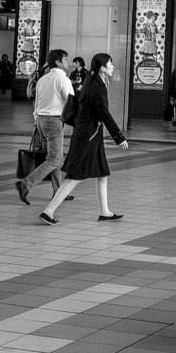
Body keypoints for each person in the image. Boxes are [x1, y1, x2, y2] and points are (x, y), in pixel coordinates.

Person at [39, 53, 129, 225]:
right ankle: (48, 212)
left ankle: (105, 212)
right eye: (110, 63)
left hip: (90, 135)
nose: (113, 66)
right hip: (88, 136)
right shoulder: (96, 85)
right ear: (102, 67)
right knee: (75, 176)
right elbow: (104, 113)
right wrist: (119, 137)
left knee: (102, 172)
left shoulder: (95, 81)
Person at [16, 49, 73, 206]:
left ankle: (58, 192)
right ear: (58, 62)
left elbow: (37, 102)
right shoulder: (63, 80)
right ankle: (26, 184)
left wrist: (36, 120)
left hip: (41, 120)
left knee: (54, 157)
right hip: (53, 122)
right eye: (66, 60)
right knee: (54, 159)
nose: (68, 63)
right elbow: (71, 103)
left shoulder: (43, 79)